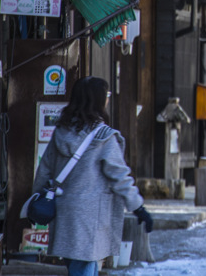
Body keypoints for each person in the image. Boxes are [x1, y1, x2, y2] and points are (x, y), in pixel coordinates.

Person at [32, 77, 152, 276]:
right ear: (97, 100)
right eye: (106, 95)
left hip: (64, 213)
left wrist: (38, 201)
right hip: (90, 217)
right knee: (85, 266)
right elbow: (119, 176)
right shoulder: (104, 137)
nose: (107, 100)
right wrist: (138, 207)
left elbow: (44, 170)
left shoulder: (61, 131)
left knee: (77, 267)